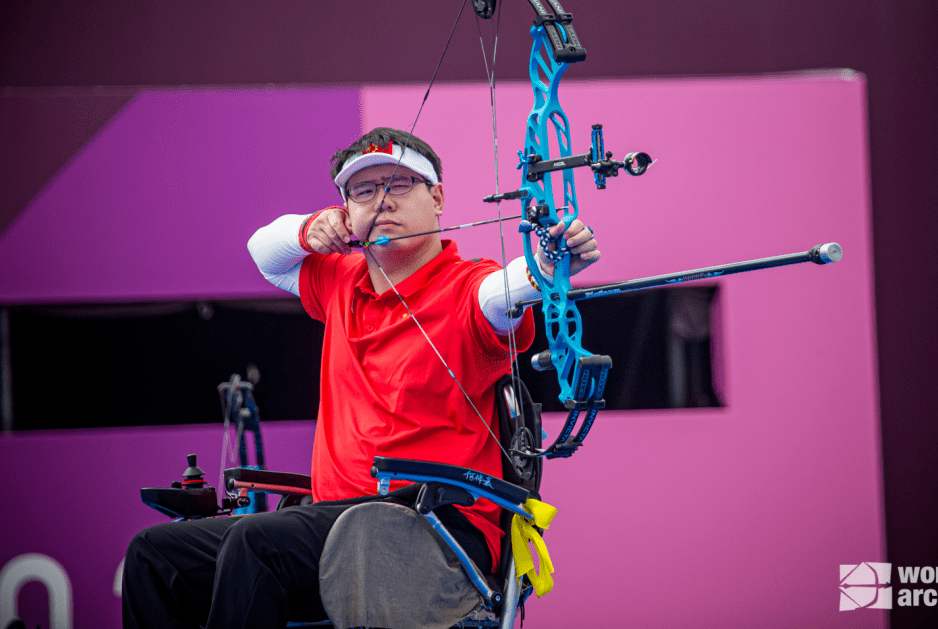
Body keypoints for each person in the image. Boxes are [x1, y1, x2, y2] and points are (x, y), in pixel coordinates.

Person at [122, 127, 600, 628]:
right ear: (347, 211)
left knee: (255, 542)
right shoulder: (339, 278)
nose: (381, 202)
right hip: (340, 528)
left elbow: (508, 290)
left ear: (436, 198)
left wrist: (548, 263)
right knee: (155, 554)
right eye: (364, 192)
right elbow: (263, 250)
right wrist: (310, 230)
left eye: (398, 185)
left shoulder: (468, 288)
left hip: (435, 533)